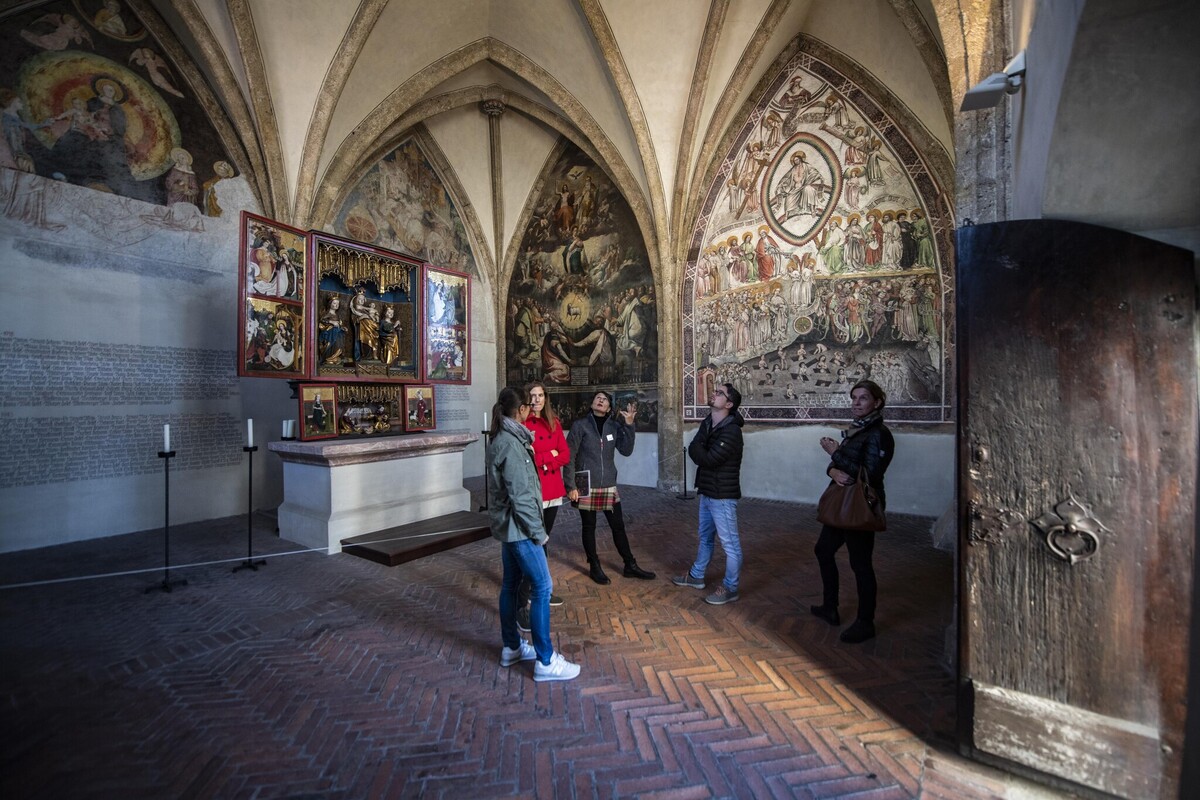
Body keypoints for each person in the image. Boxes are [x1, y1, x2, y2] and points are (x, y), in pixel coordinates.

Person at [488, 387, 580, 682]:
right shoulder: (512, 445)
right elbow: (522, 497)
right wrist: (539, 534)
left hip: (509, 527)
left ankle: (512, 647)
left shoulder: (504, 438)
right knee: (542, 586)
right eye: (529, 405)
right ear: (522, 410)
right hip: (520, 529)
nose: (532, 409)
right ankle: (546, 659)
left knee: (511, 586)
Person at [811, 380, 895, 643]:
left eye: (863, 398)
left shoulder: (878, 434)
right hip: (842, 504)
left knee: (860, 564)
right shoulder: (857, 430)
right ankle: (830, 607)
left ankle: (865, 622)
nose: (857, 403)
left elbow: (869, 473)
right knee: (823, 550)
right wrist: (832, 468)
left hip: (859, 505)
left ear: (877, 402)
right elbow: (841, 469)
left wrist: (835, 452)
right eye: (854, 398)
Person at [563, 391, 656, 584]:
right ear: (592, 403)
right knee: (589, 526)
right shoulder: (580, 426)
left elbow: (626, 450)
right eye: (597, 397)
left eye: (605, 399)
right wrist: (570, 485)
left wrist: (629, 425)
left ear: (609, 407)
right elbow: (569, 456)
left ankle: (629, 564)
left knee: (618, 526)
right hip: (585, 483)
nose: (601, 400)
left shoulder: (614, 426)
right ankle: (594, 565)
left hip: (608, 484)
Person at [672, 383, 745, 605]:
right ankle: (696, 576)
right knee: (705, 538)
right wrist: (700, 449)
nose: (714, 394)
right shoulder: (708, 423)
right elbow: (694, 447)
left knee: (730, 545)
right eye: (715, 391)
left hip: (722, 496)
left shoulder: (732, 431)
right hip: (707, 492)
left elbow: (708, 459)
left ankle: (731, 588)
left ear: (729, 404)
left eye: (719, 393)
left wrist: (700, 450)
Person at [514, 381, 569, 632]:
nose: (536, 400)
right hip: (534, 492)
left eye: (540, 395)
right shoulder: (523, 424)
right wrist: (551, 458)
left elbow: (565, 454)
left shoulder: (553, 422)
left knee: (544, 541)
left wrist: (546, 460)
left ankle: (542, 590)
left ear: (546, 398)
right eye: (532, 396)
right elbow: (528, 458)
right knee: (534, 544)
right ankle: (523, 599)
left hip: (553, 490)